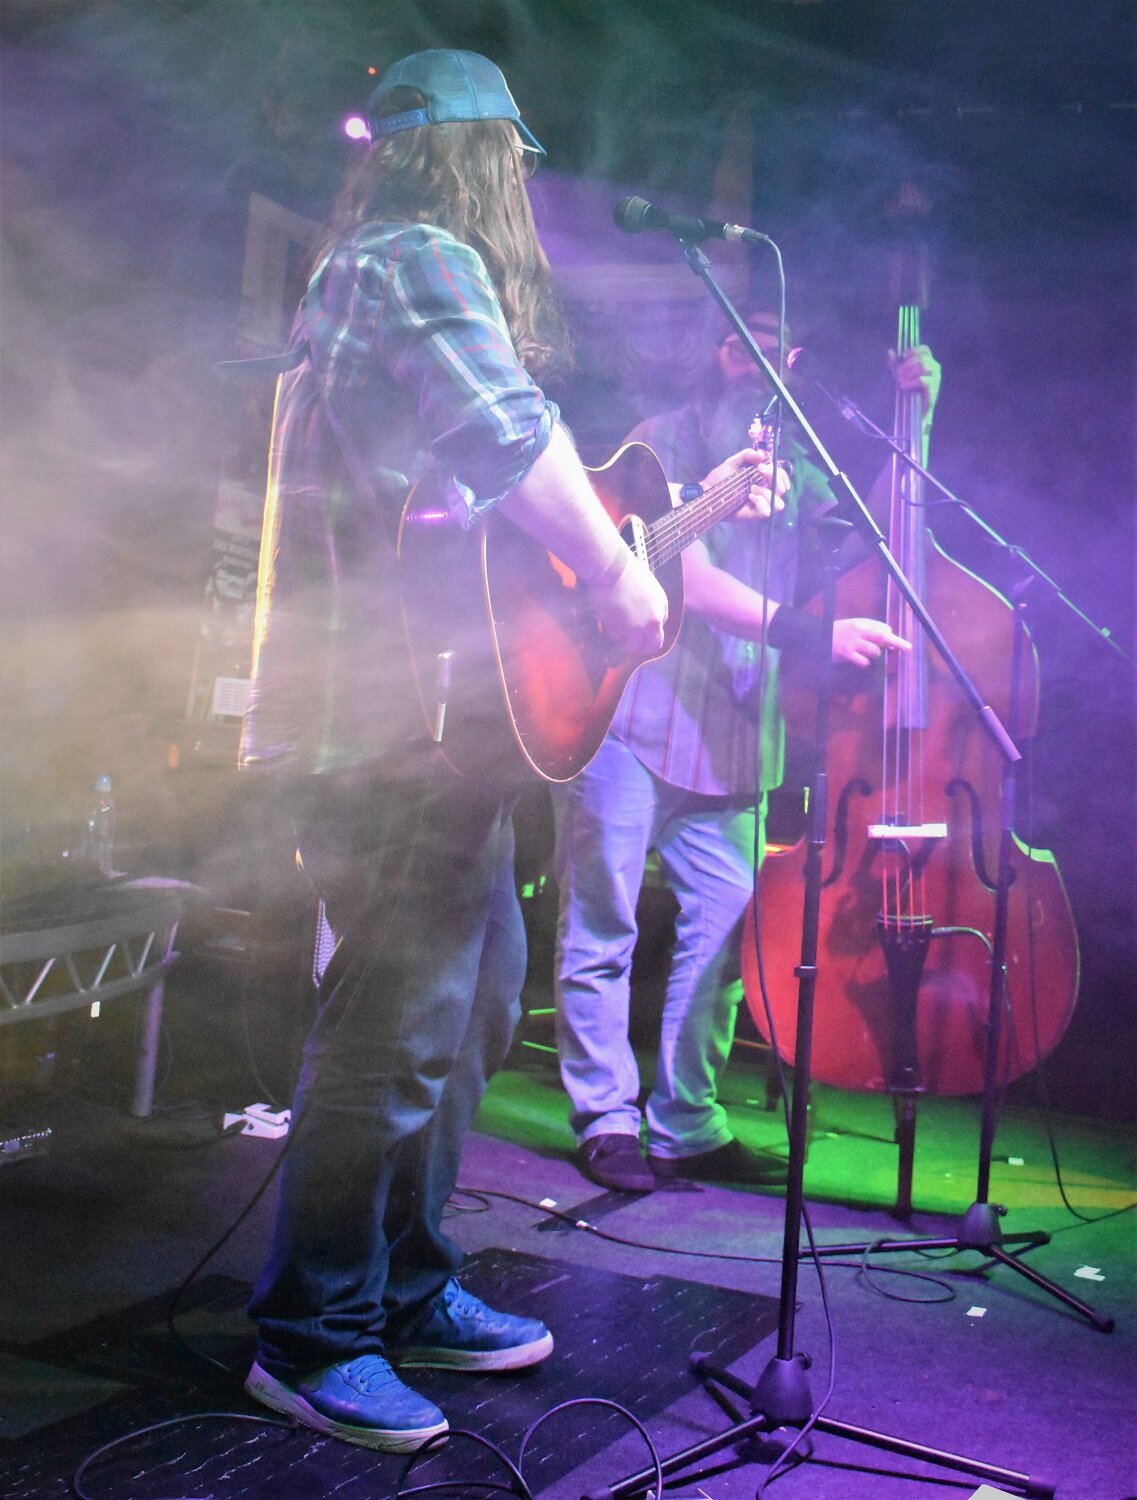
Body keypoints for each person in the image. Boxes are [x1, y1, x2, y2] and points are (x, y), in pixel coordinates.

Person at [236, 49, 782, 1454]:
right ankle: (310, 1337)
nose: (527, 190)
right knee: (392, 1037)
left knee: (467, 1022)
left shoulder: (410, 268)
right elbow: (508, 434)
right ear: (472, 156)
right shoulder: (408, 253)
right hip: (381, 732)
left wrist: (627, 553)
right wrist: (616, 570)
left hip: (447, 730)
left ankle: (409, 1293)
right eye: (515, 163)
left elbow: (499, 551)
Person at [554, 305, 940, 1193]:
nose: (763, 362)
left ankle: (685, 1121)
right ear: (718, 349)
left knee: (729, 928)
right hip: (631, 711)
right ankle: (605, 1116)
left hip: (734, 731)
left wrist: (920, 416)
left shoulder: (796, 463)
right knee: (602, 921)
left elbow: (875, 543)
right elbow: (676, 569)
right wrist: (808, 636)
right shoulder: (659, 445)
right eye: (748, 342)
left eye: (781, 347)